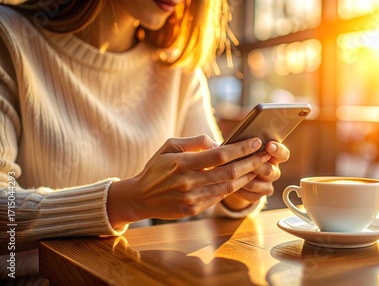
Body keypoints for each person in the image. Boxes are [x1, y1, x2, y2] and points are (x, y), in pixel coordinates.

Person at [0, 0, 290, 282]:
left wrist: (235, 191)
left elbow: (209, 189)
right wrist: (126, 201)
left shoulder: (177, 69)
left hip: (129, 276)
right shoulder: (10, 38)